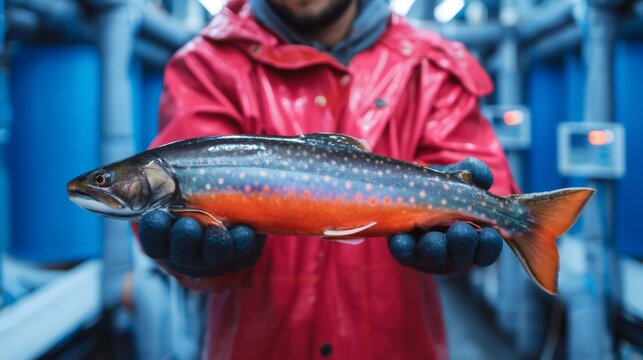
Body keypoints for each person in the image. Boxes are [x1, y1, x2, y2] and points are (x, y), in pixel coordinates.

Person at [137, 0, 519, 357]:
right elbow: (174, 216)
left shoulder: (433, 65)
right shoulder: (208, 64)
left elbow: (488, 175)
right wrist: (192, 261)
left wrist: (480, 215)